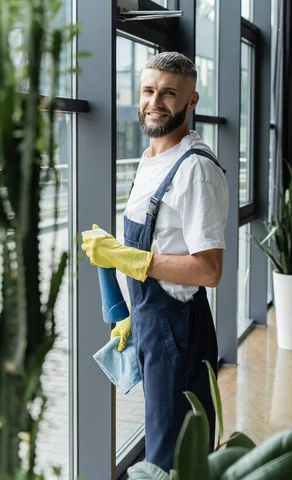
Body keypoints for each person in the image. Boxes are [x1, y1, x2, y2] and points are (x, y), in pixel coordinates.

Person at [82, 52, 229, 472]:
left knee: (171, 457)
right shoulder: (150, 160)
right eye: (149, 91)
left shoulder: (194, 169)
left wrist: (130, 259)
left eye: (169, 93)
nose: (155, 102)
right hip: (151, 323)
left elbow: (208, 270)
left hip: (177, 333)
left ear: (191, 100)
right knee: (162, 438)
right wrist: (129, 312)